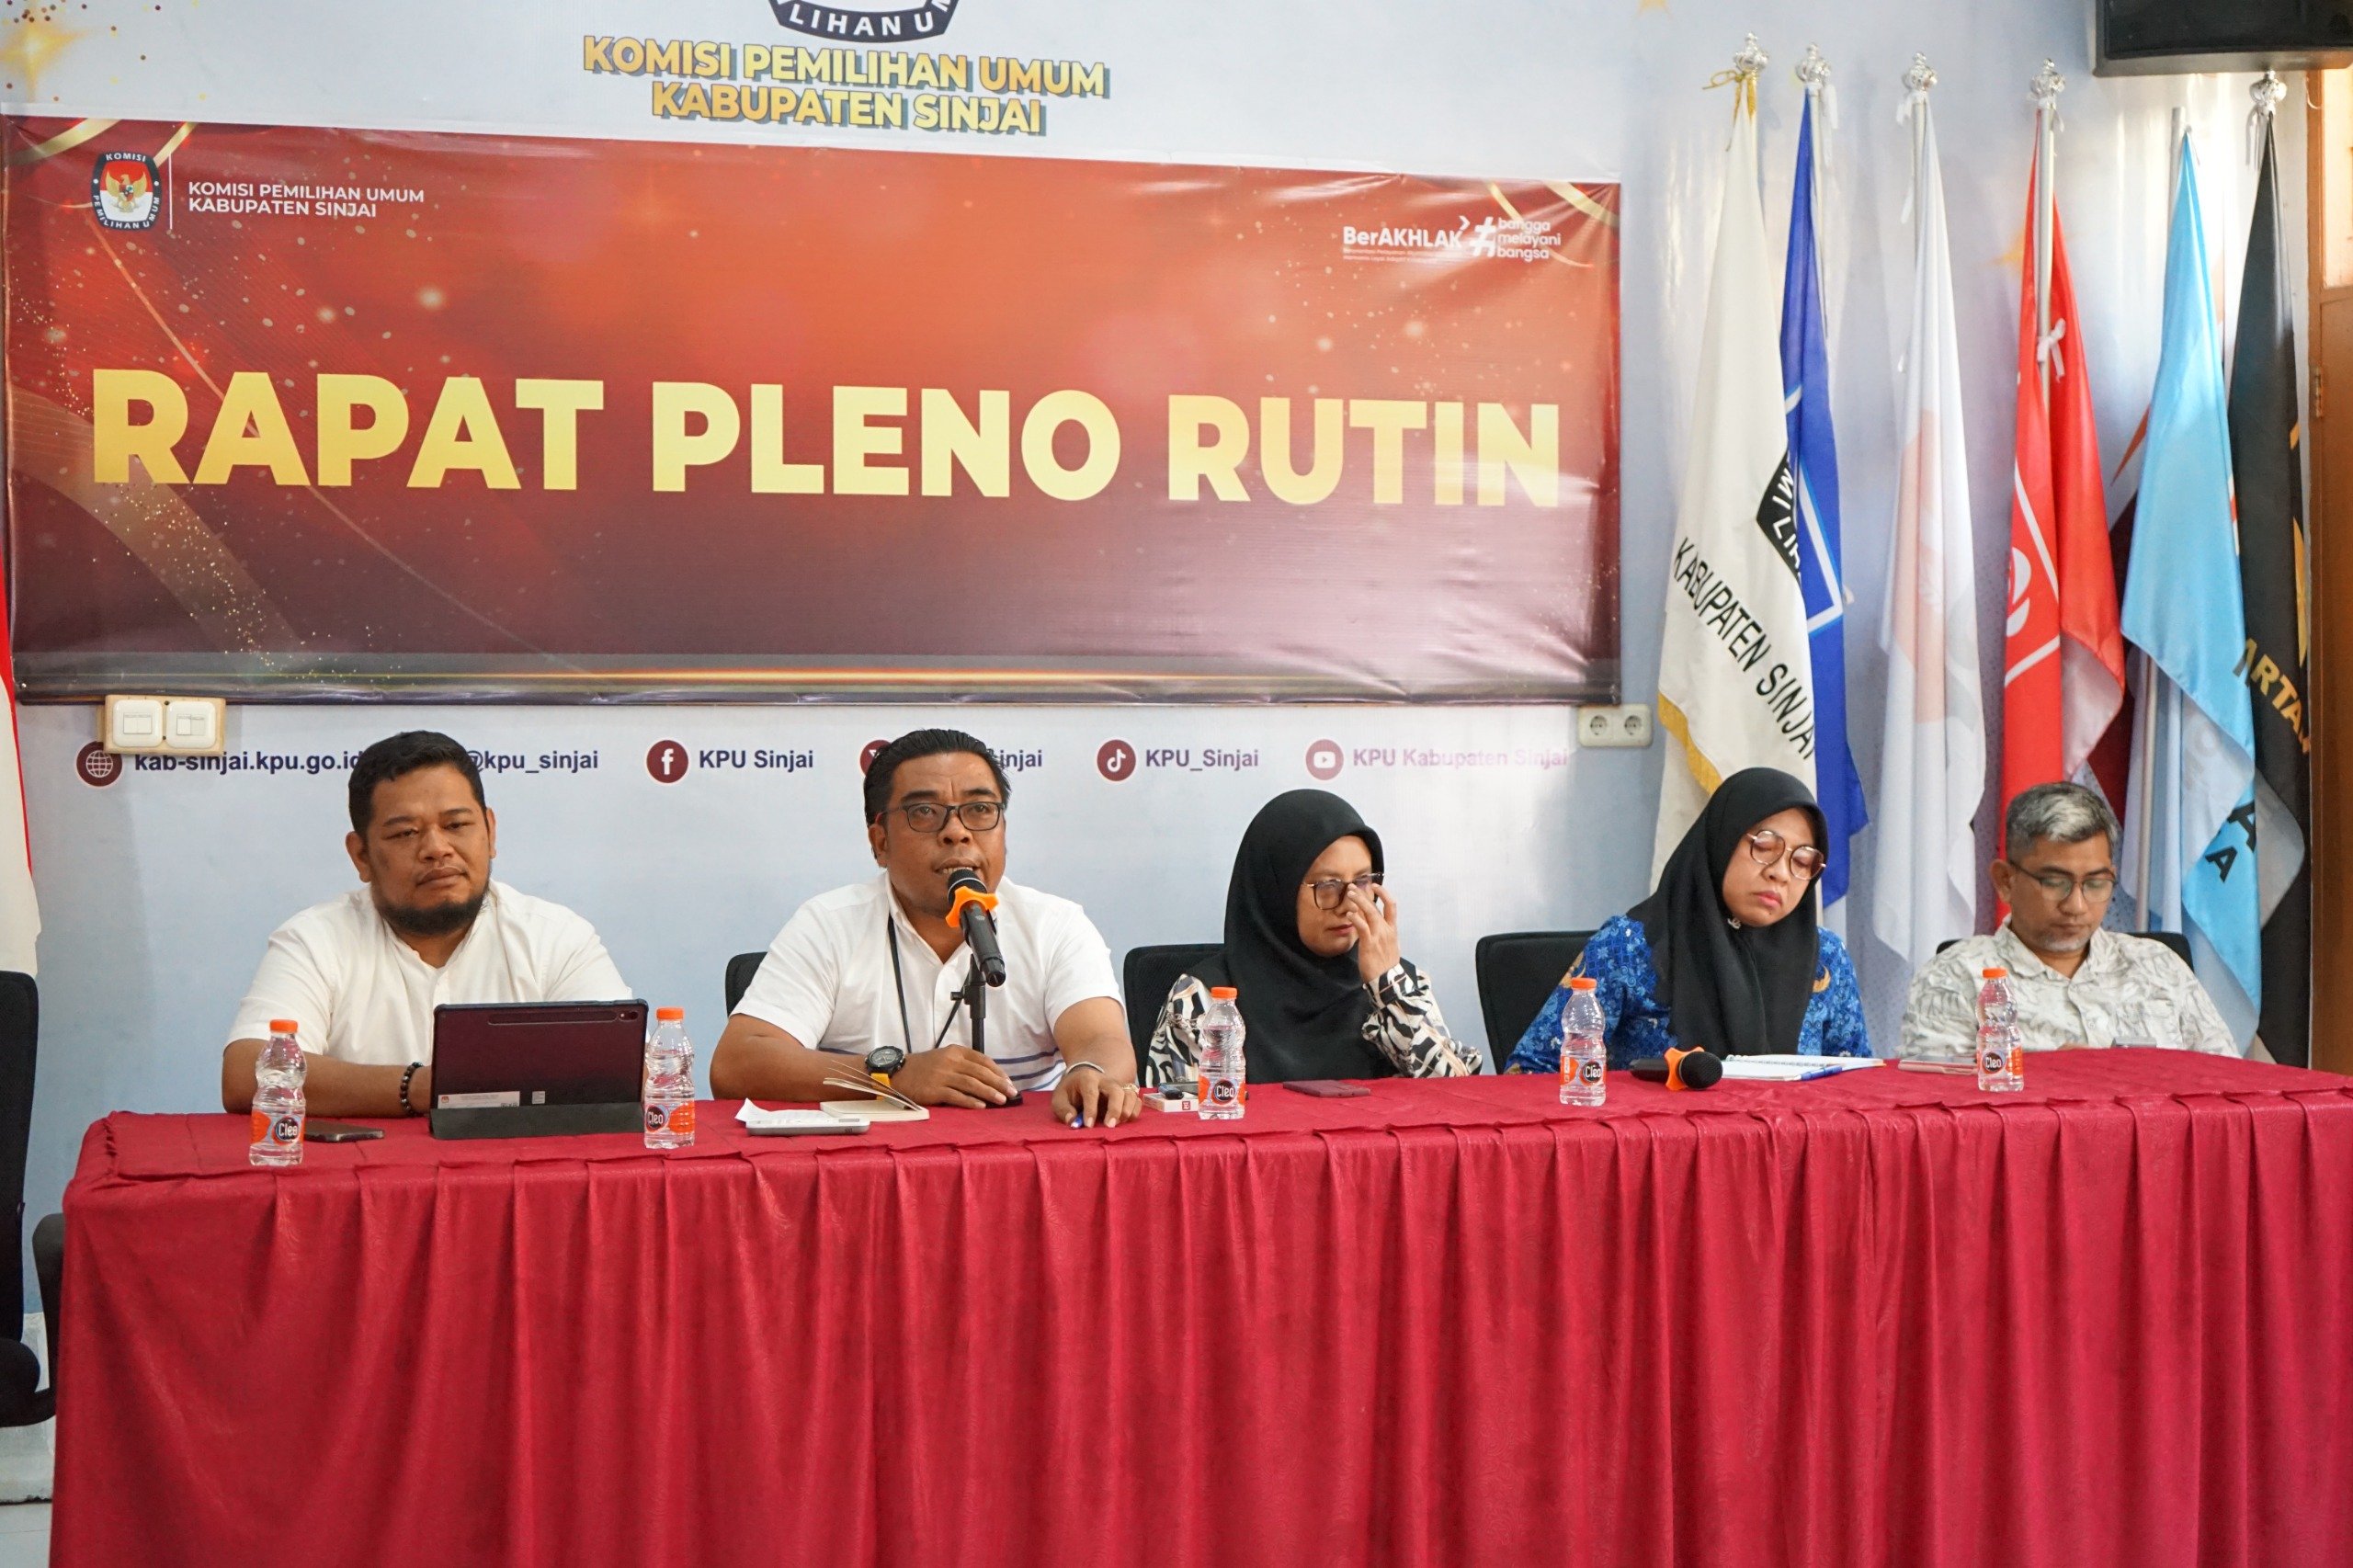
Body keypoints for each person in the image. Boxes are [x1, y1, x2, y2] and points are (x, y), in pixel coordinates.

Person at [710, 729, 1141, 1128]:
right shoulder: (829, 925)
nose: (957, 832)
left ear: (1003, 830)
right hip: (869, 1172)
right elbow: (737, 1064)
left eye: (979, 810)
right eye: (925, 812)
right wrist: (890, 1076)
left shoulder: (1055, 924)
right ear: (880, 843)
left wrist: (1090, 1071)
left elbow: (1102, 1040)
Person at [222, 731, 631, 1117]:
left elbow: (629, 1071)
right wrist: (419, 1087)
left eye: (456, 825)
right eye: (406, 833)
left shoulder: (555, 938)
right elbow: (247, 1073)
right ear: (361, 856)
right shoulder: (316, 939)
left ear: (490, 832)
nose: (437, 849)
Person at [1506, 767, 1868, 1072]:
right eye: (1764, 846)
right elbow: (1532, 1070)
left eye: (1802, 861)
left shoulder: (1825, 957)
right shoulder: (1629, 948)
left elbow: (1859, 1085)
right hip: (1653, 1135)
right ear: (1722, 839)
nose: (1781, 874)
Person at [1146, 790, 1479, 1086]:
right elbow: (1184, 1124)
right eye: (1328, 885)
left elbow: (1460, 1100)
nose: (1350, 905)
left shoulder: (1396, 983)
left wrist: (1389, 990)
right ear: (1275, 892)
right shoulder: (1204, 1000)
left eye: (1363, 882)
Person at [1898, 781, 2234, 1056]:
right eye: (2054, 882)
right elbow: (1931, 1106)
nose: (2076, 905)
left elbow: (2231, 1085)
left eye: (2095, 883)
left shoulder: (2160, 965)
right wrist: (2051, 1077)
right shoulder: (1955, 977)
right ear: (2005, 881)